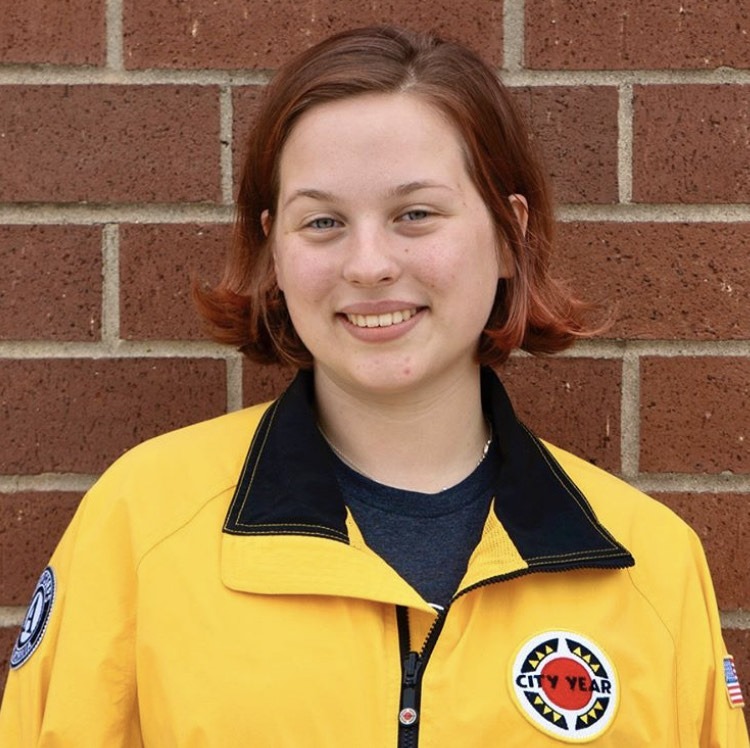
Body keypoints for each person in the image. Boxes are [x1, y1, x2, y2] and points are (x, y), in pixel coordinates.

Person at [0, 25, 747, 747]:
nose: (368, 264)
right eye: (322, 222)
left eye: (414, 214)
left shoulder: (648, 564)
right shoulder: (141, 527)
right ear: (274, 254)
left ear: (509, 235)